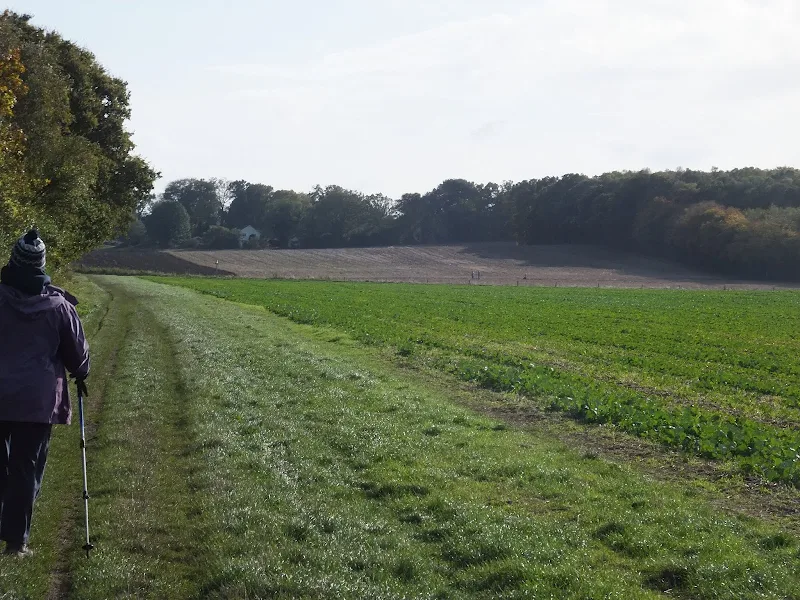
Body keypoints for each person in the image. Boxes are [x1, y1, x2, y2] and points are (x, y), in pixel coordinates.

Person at [0, 230, 90, 557]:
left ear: (13, 261)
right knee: (25, 468)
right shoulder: (58, 307)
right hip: (36, 403)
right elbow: (77, 354)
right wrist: (81, 373)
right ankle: (15, 543)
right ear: (41, 263)